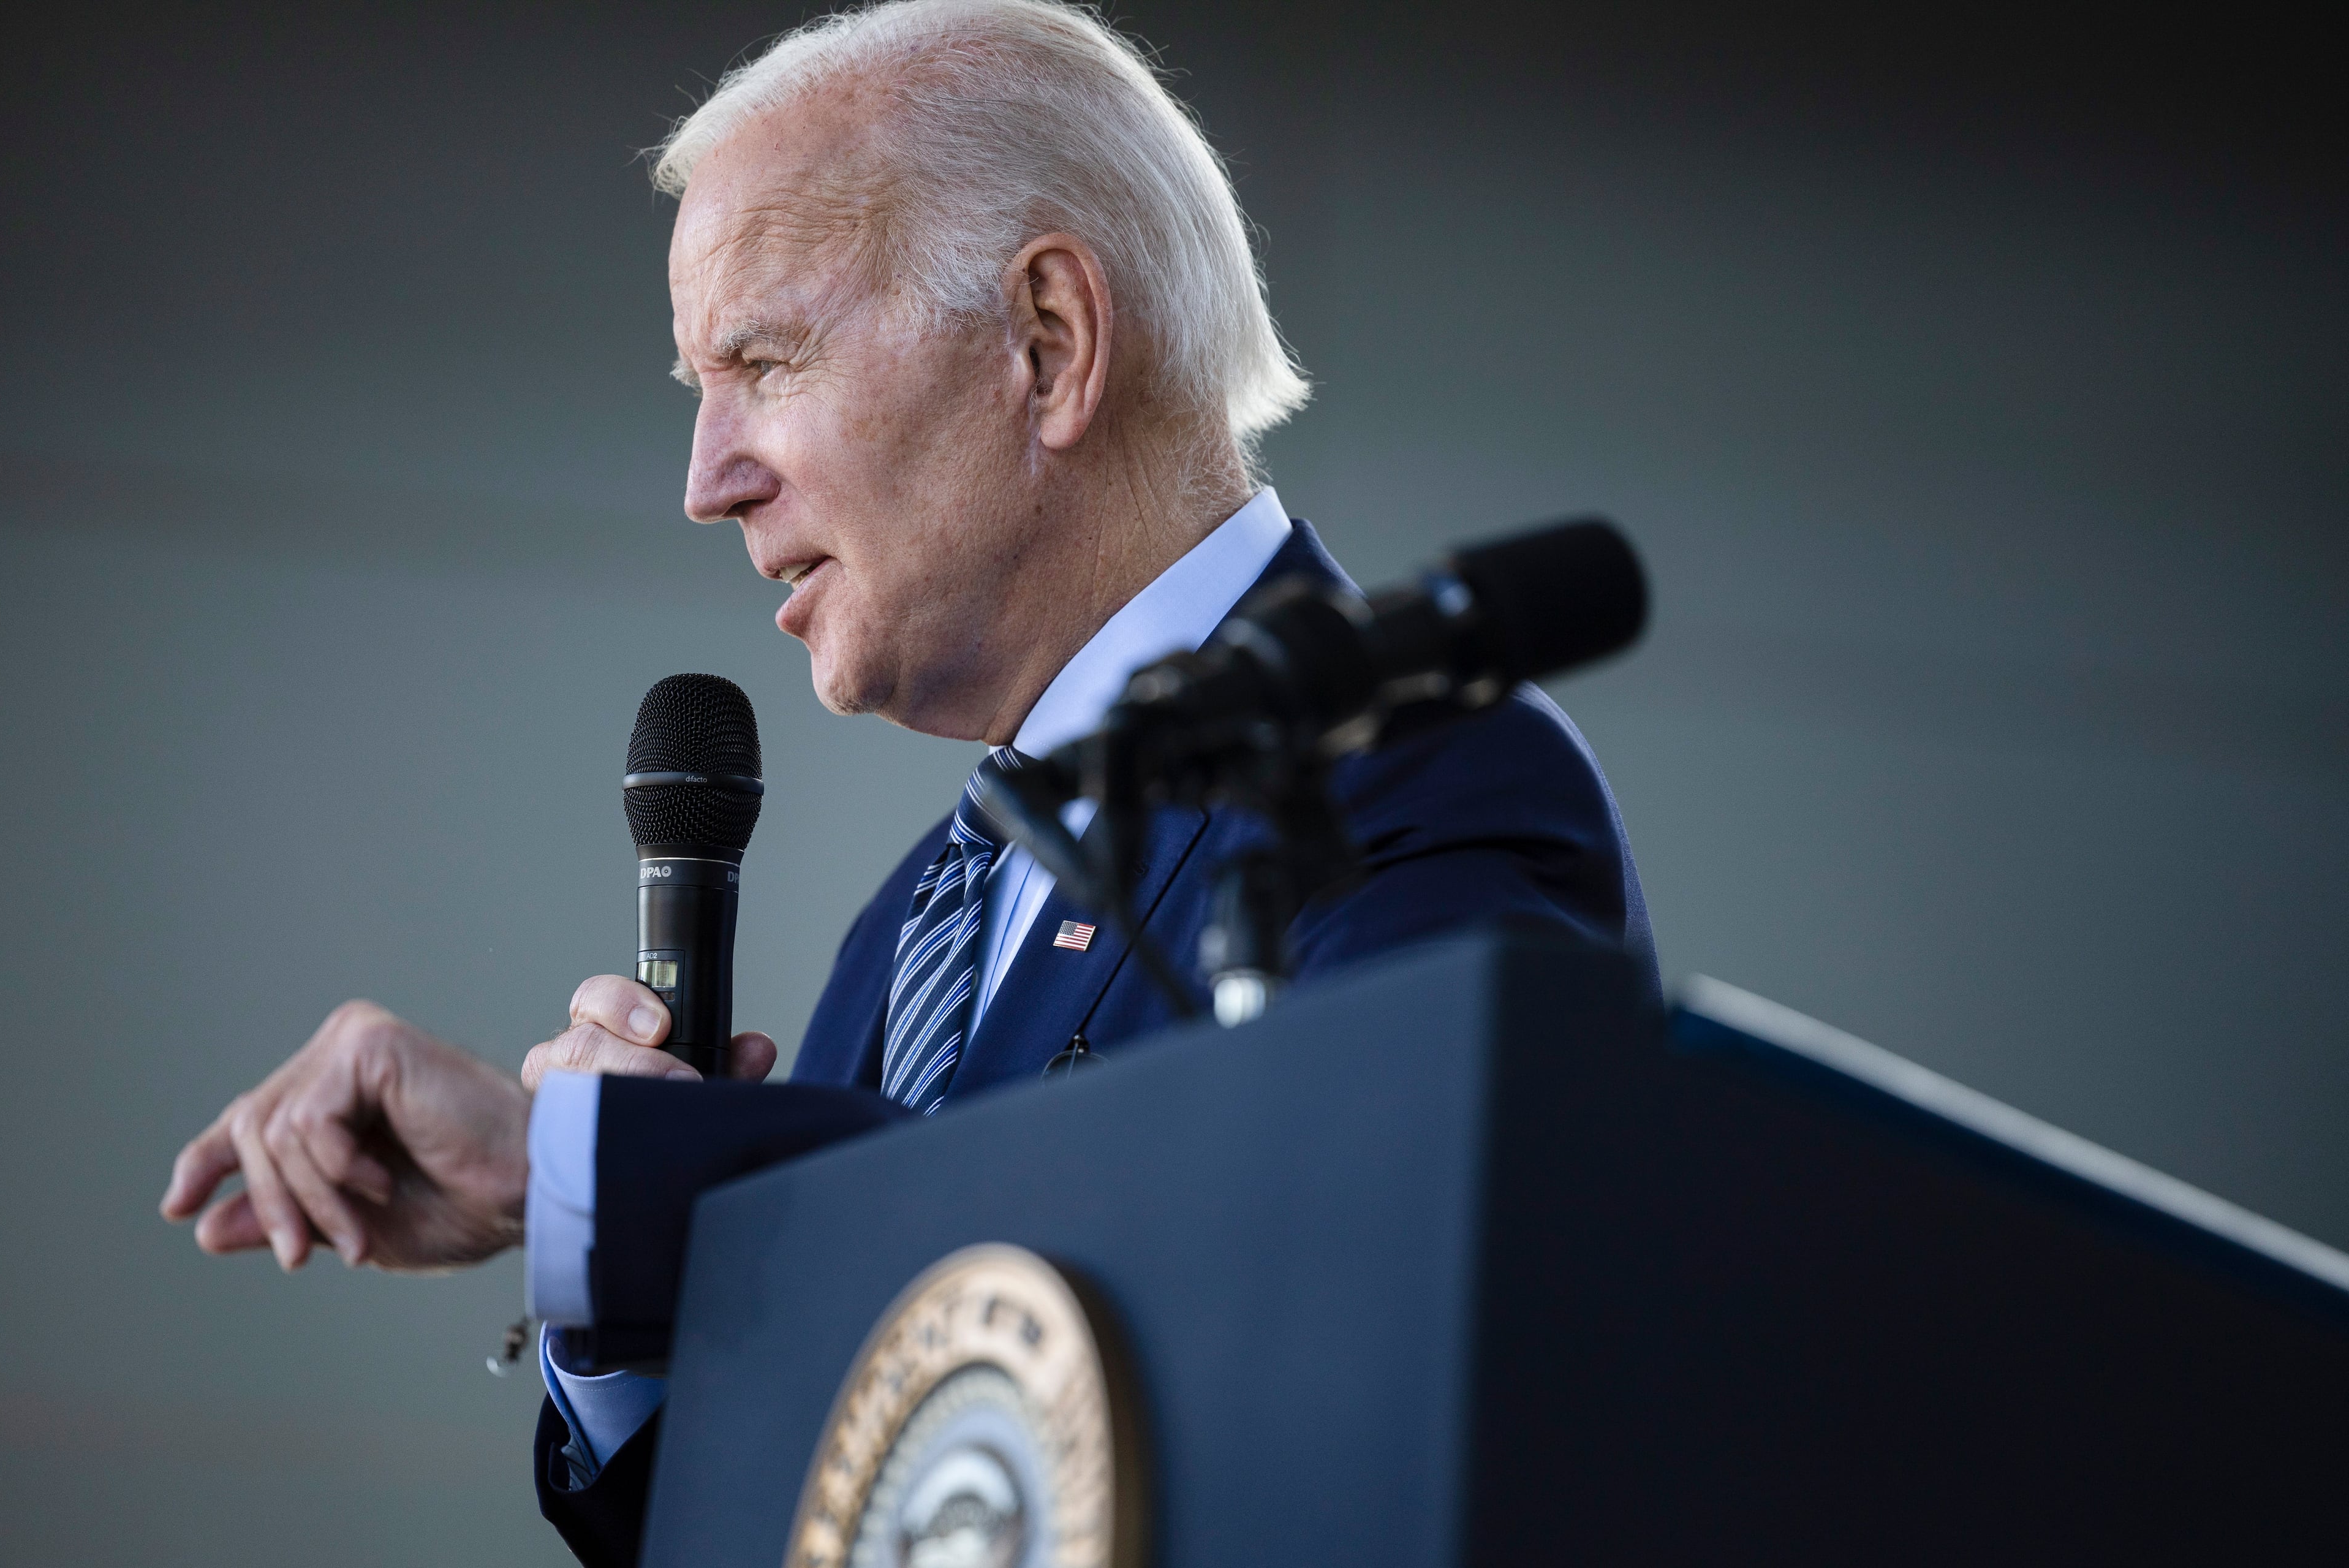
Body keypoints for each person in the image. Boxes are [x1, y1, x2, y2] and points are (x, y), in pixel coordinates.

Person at [159, 2, 1658, 1562]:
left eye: (762, 359)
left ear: (1049, 344)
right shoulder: (918, 925)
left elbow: (1363, 1339)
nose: (705, 476)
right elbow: (862, 1498)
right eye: (696, 384)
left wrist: (611, 1175)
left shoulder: (1421, 772)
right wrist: (618, 1285)